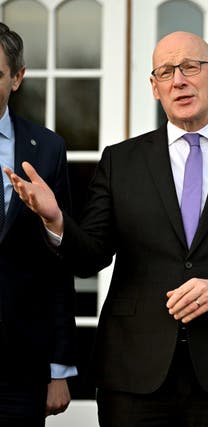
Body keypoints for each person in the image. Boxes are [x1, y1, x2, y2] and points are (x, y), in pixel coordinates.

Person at [5, 31, 208, 427]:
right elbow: (90, 255)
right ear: (154, 86)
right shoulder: (121, 161)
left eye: (190, 67)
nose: (178, 80)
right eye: (166, 71)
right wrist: (55, 219)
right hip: (133, 375)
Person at [0, 23, 77, 426]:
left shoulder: (47, 148)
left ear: (17, 77)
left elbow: (58, 262)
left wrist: (60, 365)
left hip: (22, 370)